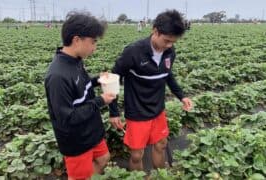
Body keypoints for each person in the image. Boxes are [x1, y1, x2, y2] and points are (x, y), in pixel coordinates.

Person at [109, 9, 193, 171]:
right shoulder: (133, 52)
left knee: (161, 144)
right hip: (137, 112)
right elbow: (113, 80)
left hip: (158, 109)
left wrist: (181, 96)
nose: (169, 45)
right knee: (137, 154)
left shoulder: (170, 52)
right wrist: (113, 112)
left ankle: (160, 175)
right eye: (167, 40)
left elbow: (168, 75)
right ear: (155, 31)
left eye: (173, 42)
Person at [44, 12, 116, 180]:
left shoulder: (75, 60)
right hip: (76, 139)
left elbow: (82, 87)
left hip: (91, 129)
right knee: (79, 177)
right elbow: (67, 118)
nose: (94, 48)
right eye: (93, 42)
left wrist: (98, 80)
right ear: (77, 40)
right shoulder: (57, 76)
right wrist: (100, 101)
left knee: (103, 158)